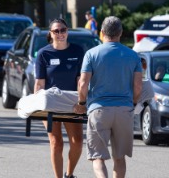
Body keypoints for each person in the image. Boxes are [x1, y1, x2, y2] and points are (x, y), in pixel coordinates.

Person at [74, 16, 142, 178]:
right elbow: (138, 86)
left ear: (102, 32)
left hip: (99, 109)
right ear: (121, 33)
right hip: (124, 109)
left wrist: (81, 103)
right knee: (119, 158)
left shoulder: (91, 54)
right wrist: (132, 102)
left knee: (97, 157)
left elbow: (83, 84)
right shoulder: (133, 55)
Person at [34, 18, 84, 178]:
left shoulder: (77, 51)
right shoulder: (43, 54)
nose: (60, 33)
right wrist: (37, 103)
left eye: (63, 30)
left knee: (77, 142)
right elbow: (39, 84)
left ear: (67, 31)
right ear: (50, 33)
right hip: (51, 103)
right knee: (56, 143)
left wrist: (81, 102)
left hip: (72, 102)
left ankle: (69, 174)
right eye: (56, 31)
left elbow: (80, 81)